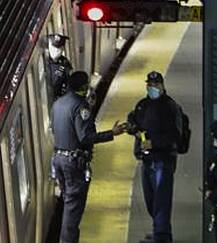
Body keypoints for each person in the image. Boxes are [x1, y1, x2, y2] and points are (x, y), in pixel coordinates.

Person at [52, 70, 127, 243]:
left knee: (68, 202)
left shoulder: (58, 104)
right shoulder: (80, 106)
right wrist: (111, 133)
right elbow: (84, 137)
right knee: (73, 208)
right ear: (84, 86)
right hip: (73, 163)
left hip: (59, 160)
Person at [127, 71, 189, 243]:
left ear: (162, 86)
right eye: (149, 85)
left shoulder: (171, 107)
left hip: (163, 159)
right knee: (151, 198)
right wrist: (131, 127)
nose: (152, 88)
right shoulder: (142, 105)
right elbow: (135, 122)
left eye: (155, 85)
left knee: (161, 199)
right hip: (147, 160)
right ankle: (158, 231)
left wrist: (155, 143)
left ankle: (162, 236)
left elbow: (176, 134)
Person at [46, 33, 74, 103]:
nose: (56, 51)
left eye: (59, 48)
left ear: (63, 49)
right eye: (53, 47)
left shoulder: (64, 63)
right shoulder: (43, 61)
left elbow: (68, 83)